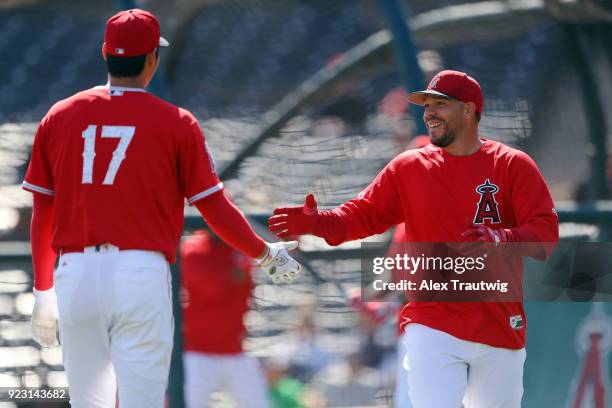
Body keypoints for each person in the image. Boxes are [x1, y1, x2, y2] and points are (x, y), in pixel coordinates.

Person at [23, 9, 300, 408]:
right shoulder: (176, 122)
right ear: (153, 60)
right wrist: (265, 252)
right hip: (140, 273)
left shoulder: (59, 115)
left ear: (105, 52)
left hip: (75, 273)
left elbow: (42, 213)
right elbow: (214, 207)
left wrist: (43, 290)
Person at [268, 70, 559, 407]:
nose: (429, 113)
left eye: (440, 104)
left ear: (468, 110)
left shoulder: (512, 165)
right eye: (426, 105)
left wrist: (501, 238)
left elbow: (545, 236)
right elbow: (360, 217)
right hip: (432, 322)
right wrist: (317, 223)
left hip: (499, 324)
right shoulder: (408, 167)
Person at [180, 229, 269, 408]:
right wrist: (244, 262)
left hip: (235, 352)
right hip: (197, 354)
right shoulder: (194, 249)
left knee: (259, 404)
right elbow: (214, 287)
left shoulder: (242, 247)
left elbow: (289, 245)